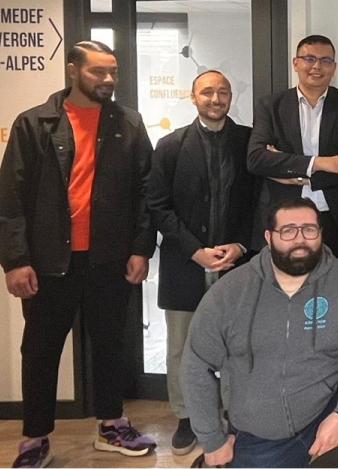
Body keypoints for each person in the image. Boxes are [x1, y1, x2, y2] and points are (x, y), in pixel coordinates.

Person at [0, 41, 157, 468]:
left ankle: (111, 424)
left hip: (109, 258)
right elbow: (9, 198)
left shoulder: (128, 124)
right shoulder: (35, 124)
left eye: (113, 72)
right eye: (97, 72)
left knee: (109, 344)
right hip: (49, 263)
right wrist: (16, 260)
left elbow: (146, 193)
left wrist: (141, 247)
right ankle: (34, 439)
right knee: (42, 350)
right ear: (72, 70)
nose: (107, 80)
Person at [181, 198, 338, 468]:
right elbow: (196, 363)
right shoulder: (230, 292)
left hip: (330, 409)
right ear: (268, 238)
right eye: (288, 231)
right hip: (262, 432)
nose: (300, 239)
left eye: (309, 230)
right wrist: (212, 439)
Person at [148, 70, 259, 456]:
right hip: (185, 262)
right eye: (207, 92)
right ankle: (187, 417)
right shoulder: (170, 145)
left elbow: (261, 201)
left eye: (223, 92)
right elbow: (158, 207)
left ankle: (233, 414)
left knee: (236, 344)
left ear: (231, 97)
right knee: (182, 346)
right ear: (193, 98)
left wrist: (242, 245)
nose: (216, 98)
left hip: (237, 262)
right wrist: (195, 250)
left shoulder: (249, 142)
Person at [247, 34, 338, 260]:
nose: (317, 66)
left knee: (332, 288)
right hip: (283, 216)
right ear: (296, 63)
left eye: (325, 61)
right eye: (309, 58)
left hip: (333, 217)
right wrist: (325, 163)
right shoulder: (270, 105)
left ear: (334, 67)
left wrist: (299, 175)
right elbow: (256, 159)